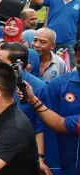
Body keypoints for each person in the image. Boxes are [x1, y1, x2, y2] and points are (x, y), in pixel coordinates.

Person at [0, 42, 51, 174]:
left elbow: (40, 127)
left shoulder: (38, 88)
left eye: (1, 62)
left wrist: (40, 158)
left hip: (23, 156)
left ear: (17, 66)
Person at [32, 40, 80, 175]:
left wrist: (34, 101)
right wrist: (41, 157)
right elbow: (43, 124)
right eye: (79, 61)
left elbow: (59, 123)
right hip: (62, 165)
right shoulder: (57, 85)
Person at [31, 0, 80, 68]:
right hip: (50, 42)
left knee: (69, 67)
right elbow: (35, 0)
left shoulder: (78, 3)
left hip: (69, 42)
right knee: (48, 65)